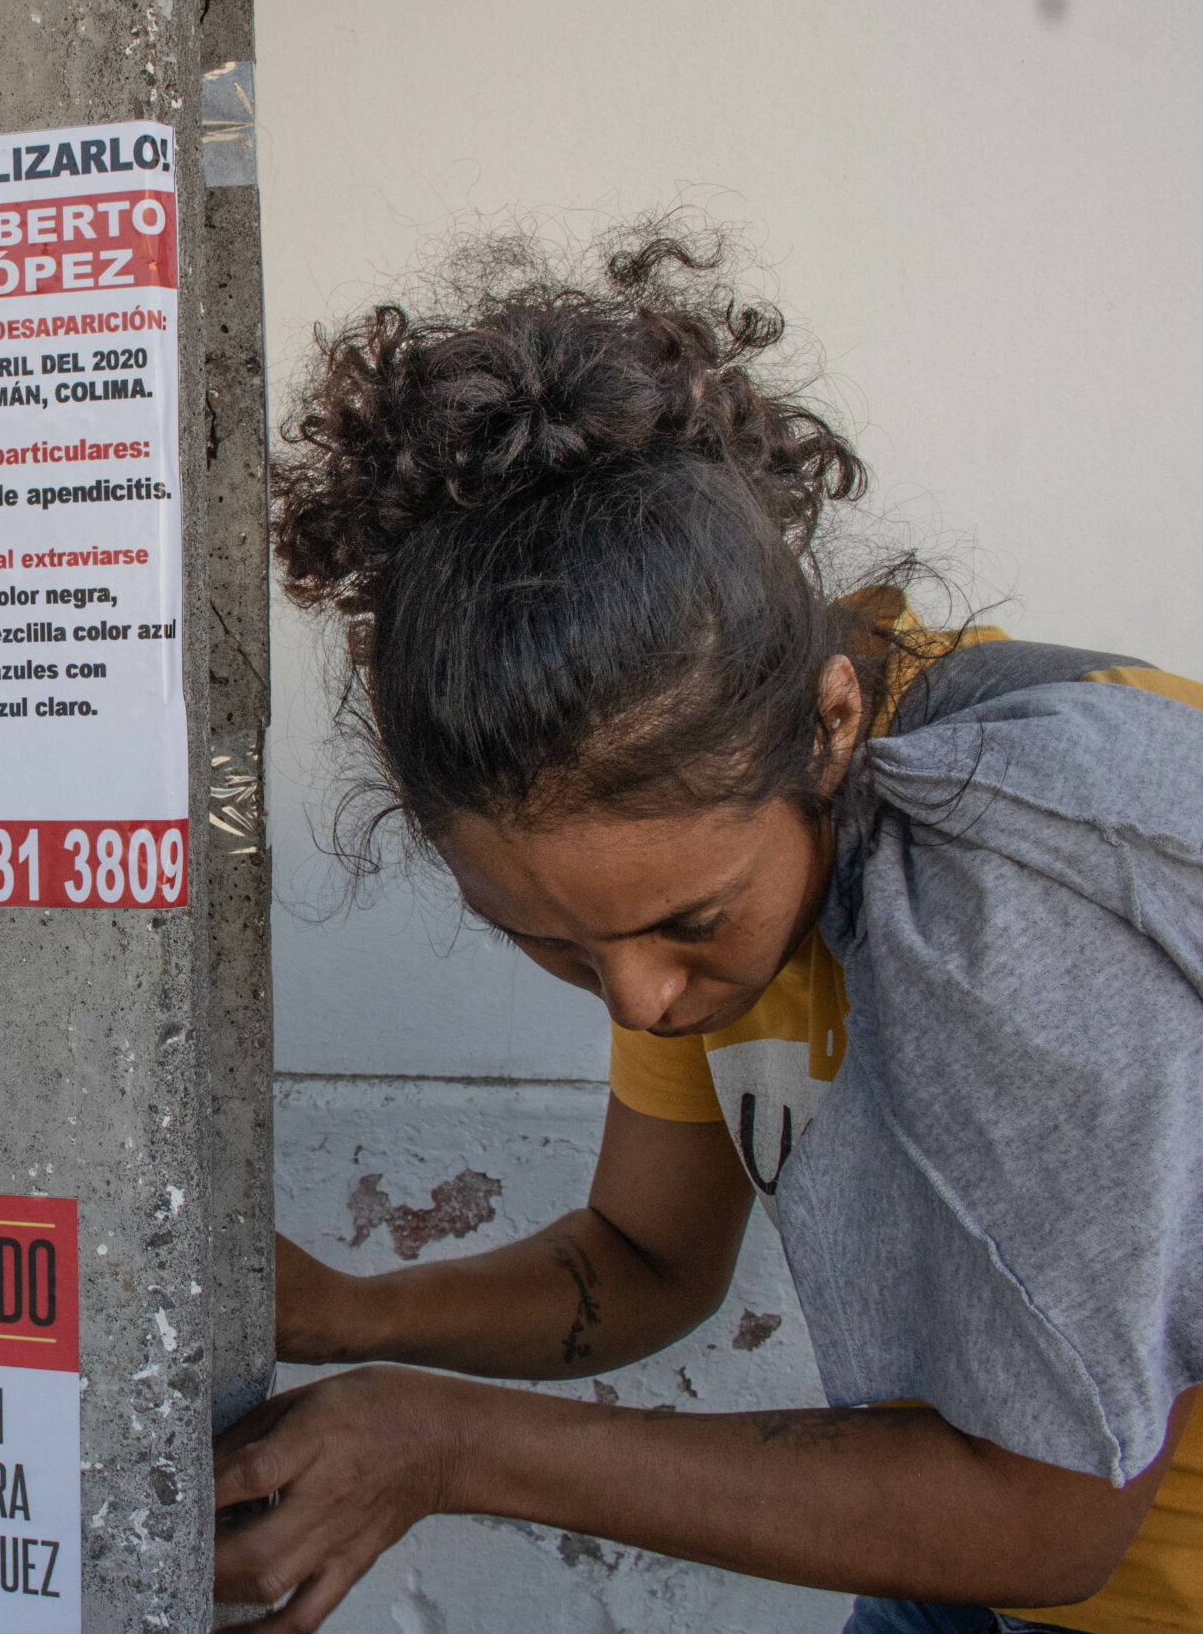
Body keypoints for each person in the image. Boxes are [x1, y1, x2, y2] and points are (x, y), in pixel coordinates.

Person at [213, 231, 1203, 1634]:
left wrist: (446, 1441)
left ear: (834, 722)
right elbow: (645, 1255)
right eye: (551, 944)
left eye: (685, 924)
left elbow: (1045, 1510)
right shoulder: (715, 840)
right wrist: (344, 1315)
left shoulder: (1027, 884)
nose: (645, 1001)